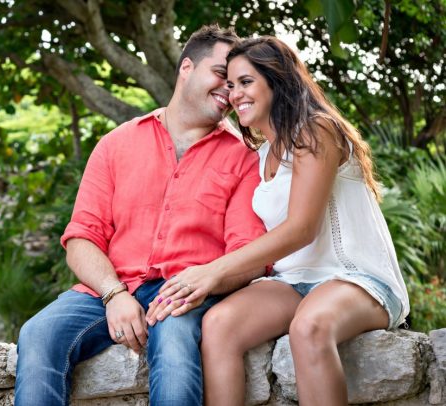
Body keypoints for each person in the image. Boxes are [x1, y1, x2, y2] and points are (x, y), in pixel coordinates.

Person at [146, 36, 410, 405]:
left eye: (246, 82)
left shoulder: (317, 129)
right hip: (292, 283)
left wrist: (211, 271)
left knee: (309, 327)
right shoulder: (262, 153)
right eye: (230, 84)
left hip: (356, 278)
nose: (234, 93)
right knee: (218, 325)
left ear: (277, 80)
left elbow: (302, 228)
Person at [14, 25, 268, 406]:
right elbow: (82, 237)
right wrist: (113, 293)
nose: (229, 91)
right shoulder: (116, 144)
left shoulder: (244, 158)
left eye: (235, 83)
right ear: (186, 68)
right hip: (108, 289)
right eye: (221, 74)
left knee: (175, 340)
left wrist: (198, 285)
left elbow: (248, 254)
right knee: (38, 334)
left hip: (186, 295)